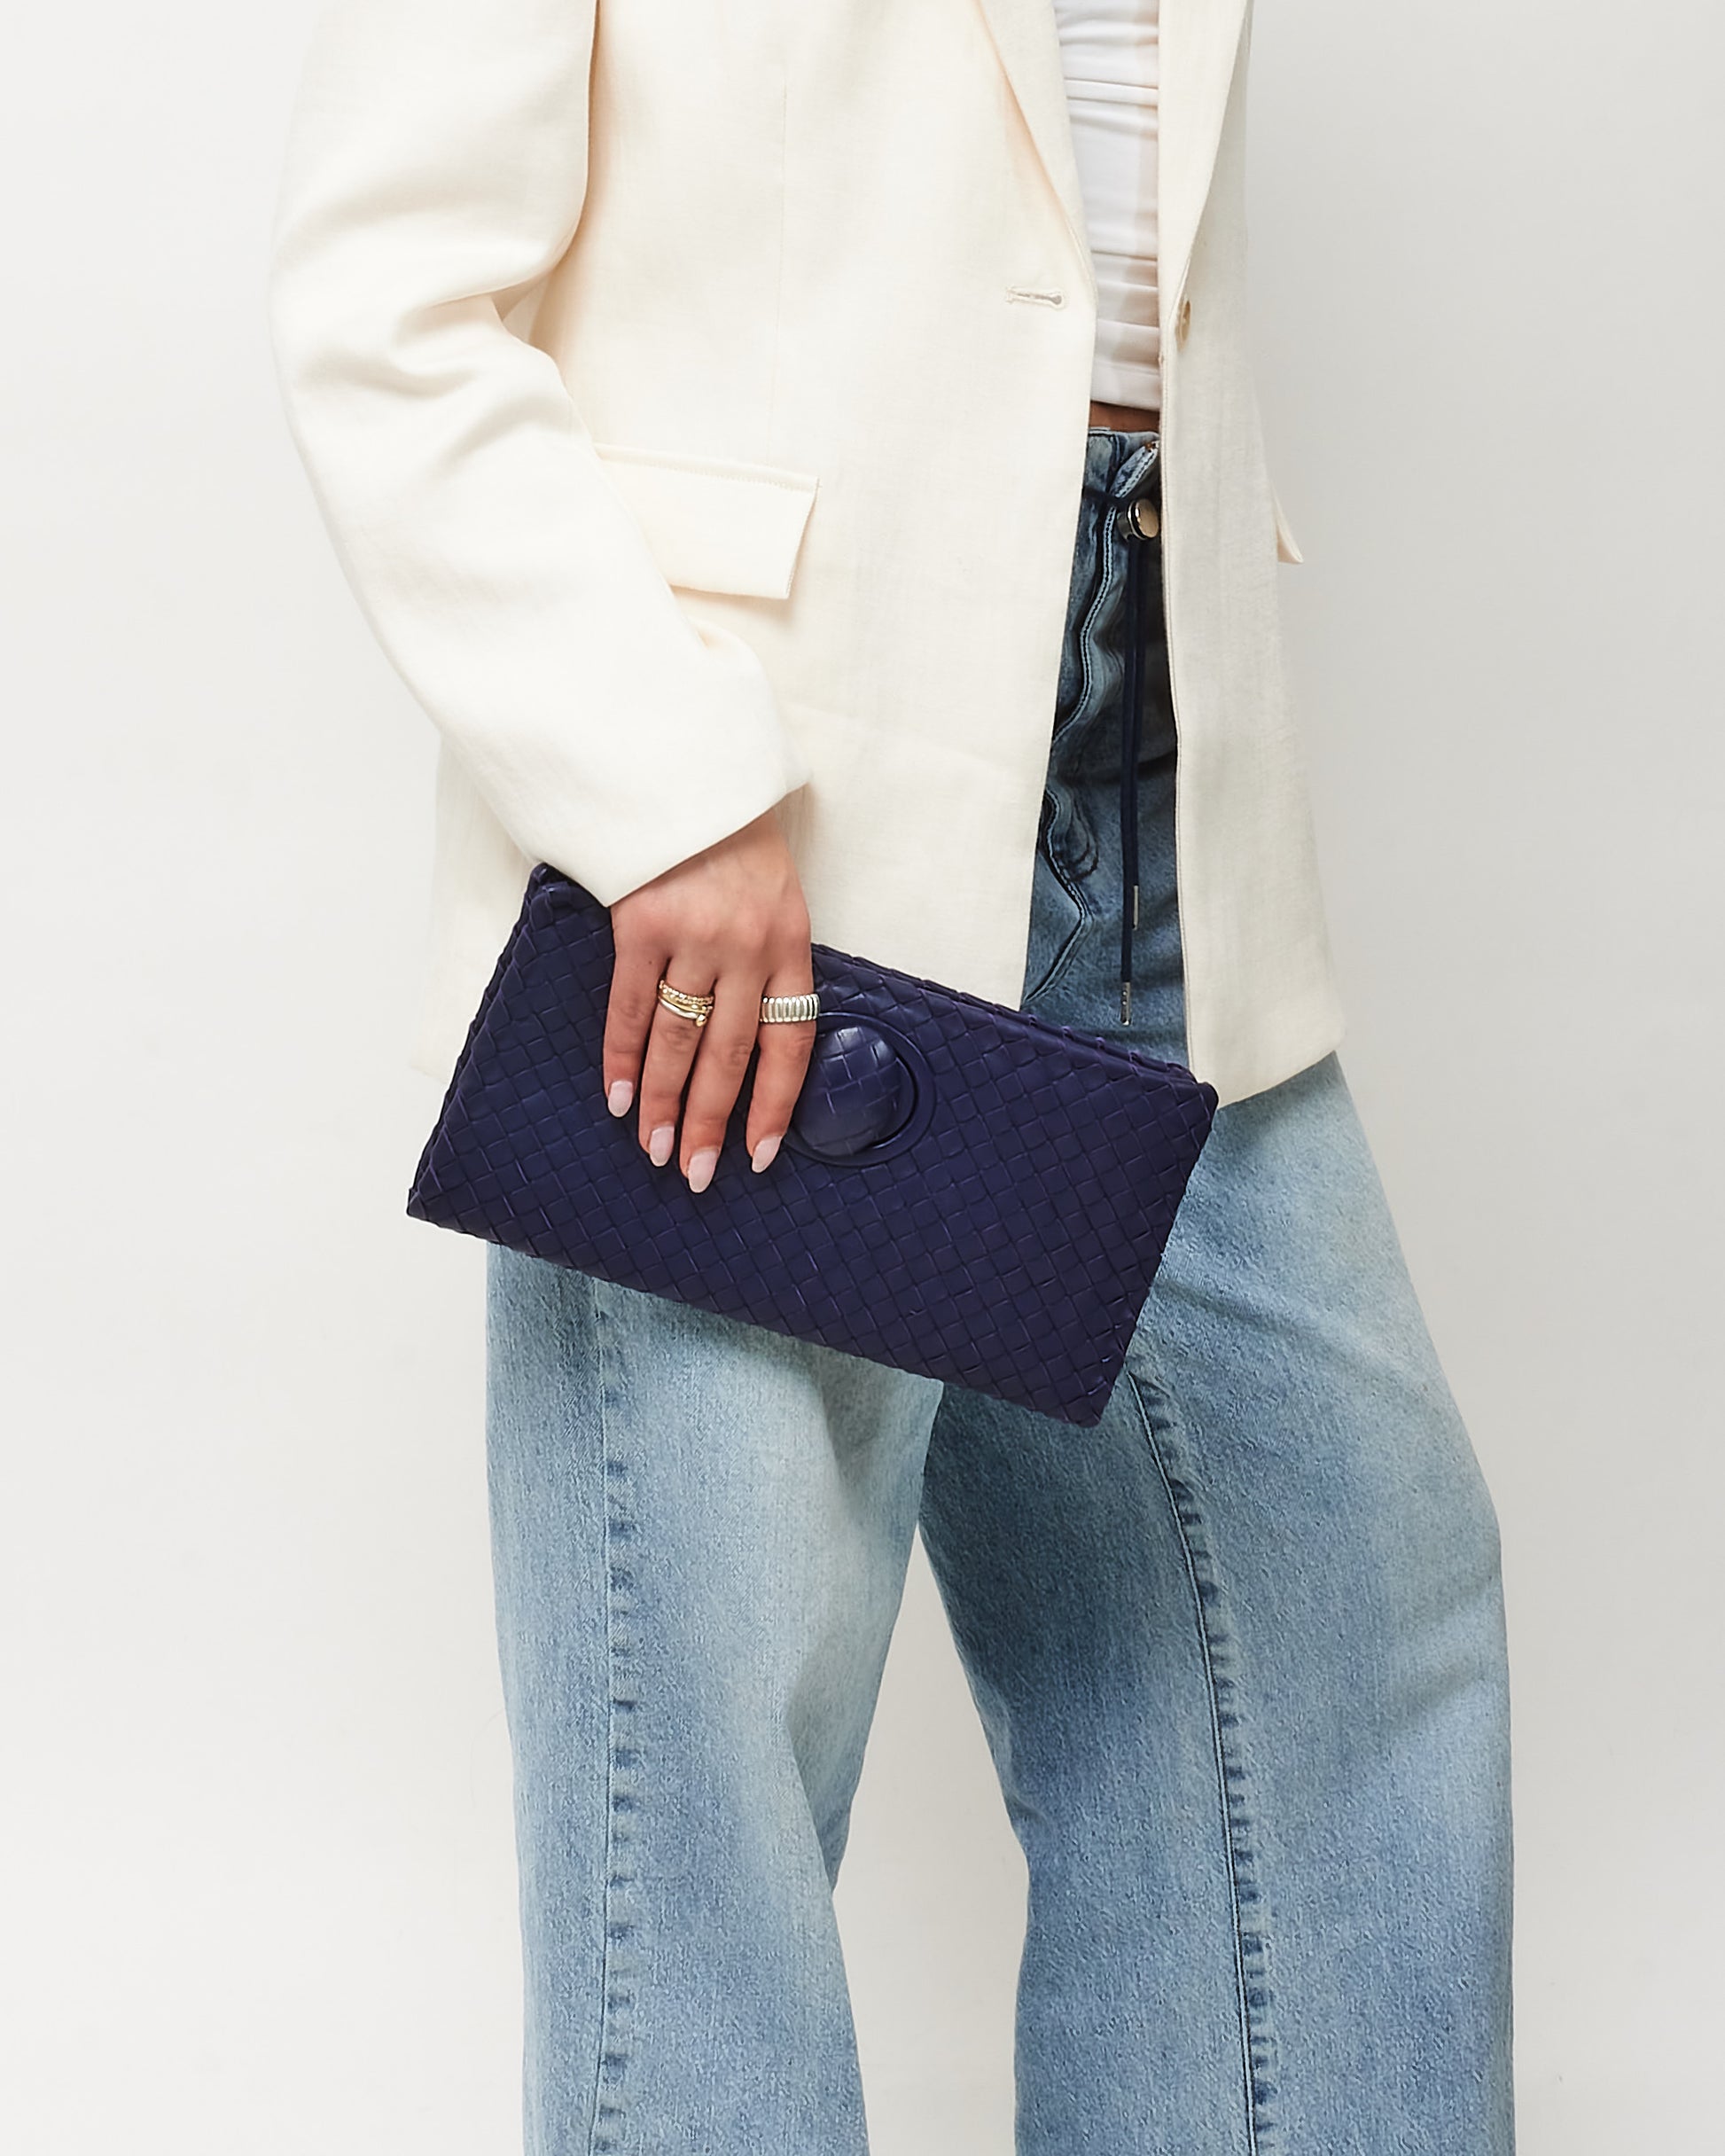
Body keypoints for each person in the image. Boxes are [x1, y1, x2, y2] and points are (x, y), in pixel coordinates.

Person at [269, 0, 1516, 2148]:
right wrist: (657, 781)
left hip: (1158, 771)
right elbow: (382, 296)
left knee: (1335, 1642)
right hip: (758, 821)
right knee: (710, 1788)